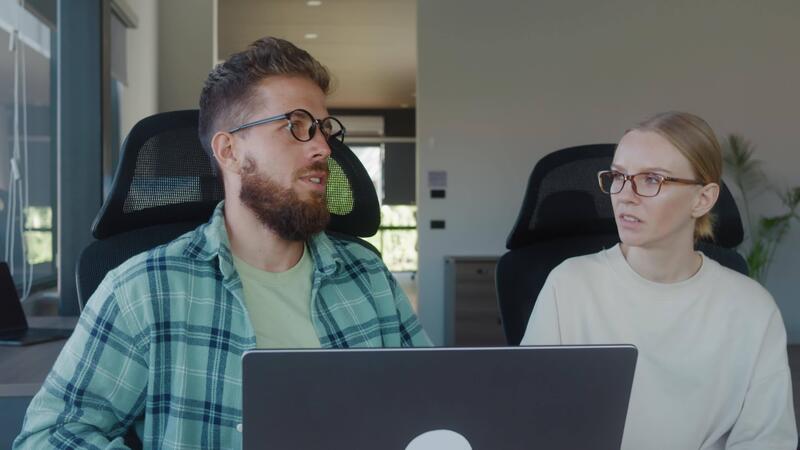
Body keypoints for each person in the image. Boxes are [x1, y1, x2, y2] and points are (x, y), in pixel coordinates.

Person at [14, 37, 430, 449]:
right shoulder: (142, 290)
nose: (324, 148)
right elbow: (47, 438)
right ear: (229, 151)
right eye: (296, 126)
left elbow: (431, 406)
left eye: (324, 129)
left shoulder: (368, 277)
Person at [521, 111, 797, 449]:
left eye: (652, 179)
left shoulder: (752, 309)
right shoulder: (569, 286)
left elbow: (767, 441)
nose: (625, 195)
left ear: (702, 199)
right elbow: (529, 419)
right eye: (618, 176)